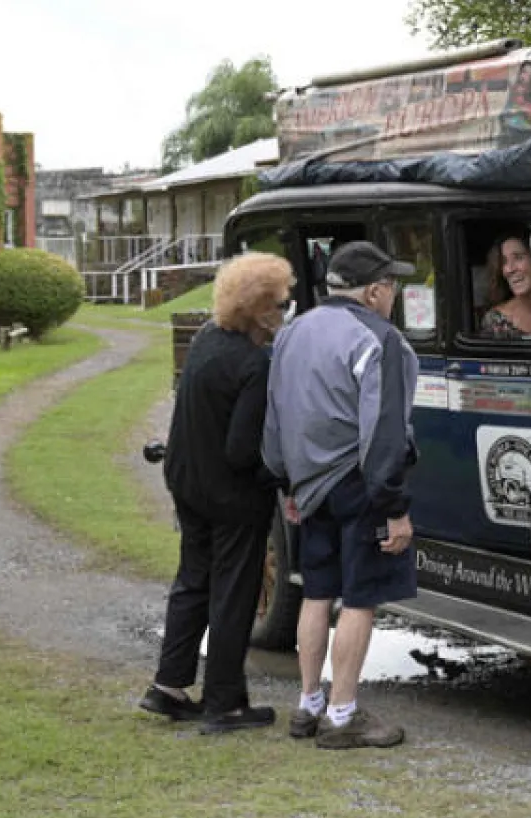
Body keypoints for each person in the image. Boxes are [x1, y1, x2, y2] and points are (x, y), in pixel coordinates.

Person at [262, 240, 420, 749]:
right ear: (374, 291)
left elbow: (275, 417)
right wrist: (394, 507)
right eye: (392, 284)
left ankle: (308, 703)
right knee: (361, 598)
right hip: (360, 482)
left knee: (316, 591)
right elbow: (385, 430)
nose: (395, 294)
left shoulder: (292, 332)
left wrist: (287, 482)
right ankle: (342, 713)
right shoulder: (381, 339)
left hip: (308, 485)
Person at [139, 252, 292, 734]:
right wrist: (282, 475)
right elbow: (242, 450)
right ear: (261, 309)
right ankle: (225, 700)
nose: (286, 313)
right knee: (234, 593)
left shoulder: (207, 339)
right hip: (230, 495)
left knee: (193, 580)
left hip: (188, 482)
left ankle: (168, 686)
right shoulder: (254, 363)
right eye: (281, 305)